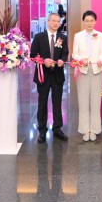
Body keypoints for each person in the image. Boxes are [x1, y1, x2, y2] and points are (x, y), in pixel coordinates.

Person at [29, 12, 69, 143]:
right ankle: (42, 130)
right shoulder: (39, 37)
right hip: (43, 75)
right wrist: (43, 60)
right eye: (54, 21)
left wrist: (62, 60)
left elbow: (65, 53)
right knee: (42, 102)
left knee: (57, 102)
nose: (56, 23)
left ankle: (57, 128)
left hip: (57, 74)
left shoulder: (63, 37)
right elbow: (33, 55)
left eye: (58, 21)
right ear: (48, 21)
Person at [71, 10, 102, 142]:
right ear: (83, 22)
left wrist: (101, 60)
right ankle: (85, 130)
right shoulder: (78, 36)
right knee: (83, 100)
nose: (89, 23)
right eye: (87, 21)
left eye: (92, 21)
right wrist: (81, 59)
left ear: (95, 21)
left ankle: (95, 129)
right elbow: (74, 53)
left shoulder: (101, 35)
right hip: (83, 70)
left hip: (97, 69)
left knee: (96, 101)